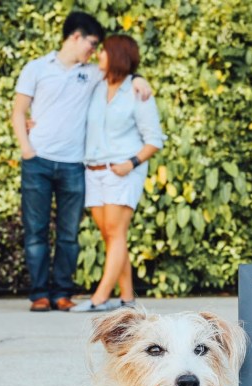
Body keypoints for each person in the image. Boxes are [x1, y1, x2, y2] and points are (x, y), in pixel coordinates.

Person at [11, 12, 151, 312]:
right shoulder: (36, 68)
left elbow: (122, 72)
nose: (94, 50)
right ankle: (39, 295)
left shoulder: (92, 74)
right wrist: (26, 149)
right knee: (35, 232)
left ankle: (62, 294)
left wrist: (140, 78)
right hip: (37, 161)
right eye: (92, 43)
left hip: (74, 165)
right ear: (75, 37)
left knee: (68, 234)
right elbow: (18, 111)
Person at [70, 35, 164, 312]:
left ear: (118, 55)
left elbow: (154, 140)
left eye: (104, 51)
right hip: (94, 170)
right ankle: (127, 299)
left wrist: (131, 163)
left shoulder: (137, 92)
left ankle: (99, 299)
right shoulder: (97, 86)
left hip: (123, 171)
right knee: (110, 237)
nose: (99, 55)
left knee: (116, 232)